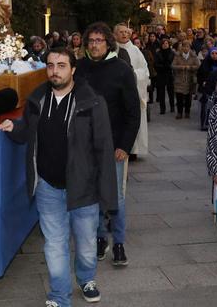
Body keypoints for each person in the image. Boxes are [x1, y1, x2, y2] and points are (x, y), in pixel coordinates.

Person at [0, 48, 117, 307]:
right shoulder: (37, 98)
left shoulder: (91, 101)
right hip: (48, 186)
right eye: (50, 65)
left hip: (84, 188)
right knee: (55, 244)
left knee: (85, 244)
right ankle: (59, 296)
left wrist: (107, 195)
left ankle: (86, 279)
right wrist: (12, 126)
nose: (55, 71)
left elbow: (104, 149)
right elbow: (27, 131)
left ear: (73, 69)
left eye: (61, 65)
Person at [74, 22, 140, 267]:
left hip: (114, 144)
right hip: (85, 144)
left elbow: (133, 111)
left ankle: (119, 242)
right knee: (92, 195)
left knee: (115, 197)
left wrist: (125, 144)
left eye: (99, 41)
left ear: (108, 43)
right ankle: (100, 238)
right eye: (90, 41)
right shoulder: (79, 68)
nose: (94, 45)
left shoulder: (122, 70)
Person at [115, 23, 150, 160]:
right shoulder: (112, 50)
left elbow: (145, 71)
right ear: (115, 34)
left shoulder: (135, 50)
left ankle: (134, 149)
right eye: (121, 32)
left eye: (126, 32)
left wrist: (133, 74)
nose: (124, 34)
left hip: (133, 90)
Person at [171, 40, 200, 119]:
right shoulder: (178, 55)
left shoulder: (193, 56)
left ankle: (187, 112)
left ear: (189, 48)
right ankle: (179, 112)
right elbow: (173, 65)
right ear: (182, 47)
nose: (186, 48)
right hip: (179, 79)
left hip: (189, 79)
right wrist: (181, 67)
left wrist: (190, 67)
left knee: (188, 97)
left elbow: (197, 66)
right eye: (184, 46)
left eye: (187, 47)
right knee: (179, 96)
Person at [197, 48, 217, 130]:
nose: (214, 55)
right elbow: (199, 75)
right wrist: (202, 82)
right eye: (213, 53)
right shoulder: (205, 63)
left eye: (216, 53)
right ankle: (204, 124)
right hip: (207, 89)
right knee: (206, 107)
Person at [154, 38, 175, 115]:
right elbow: (155, 64)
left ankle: (172, 107)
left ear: (169, 44)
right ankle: (162, 108)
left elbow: (174, 63)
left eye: (166, 43)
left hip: (169, 74)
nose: (165, 45)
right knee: (161, 92)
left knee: (171, 92)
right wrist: (163, 67)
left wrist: (169, 67)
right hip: (161, 74)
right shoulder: (158, 53)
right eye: (163, 44)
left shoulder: (172, 53)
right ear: (161, 45)